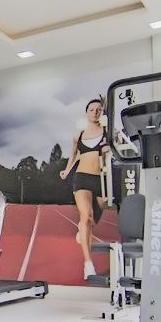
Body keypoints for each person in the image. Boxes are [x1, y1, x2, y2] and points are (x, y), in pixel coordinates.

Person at [59, 98, 110, 279]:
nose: (95, 112)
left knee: (93, 219)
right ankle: (88, 265)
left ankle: (82, 228)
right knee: (86, 217)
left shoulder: (108, 133)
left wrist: (110, 148)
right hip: (81, 178)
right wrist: (67, 171)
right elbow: (73, 154)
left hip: (100, 180)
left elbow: (118, 149)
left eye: (98, 110)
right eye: (91, 109)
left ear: (102, 113)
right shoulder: (78, 136)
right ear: (86, 113)